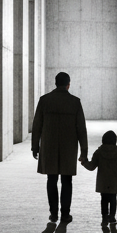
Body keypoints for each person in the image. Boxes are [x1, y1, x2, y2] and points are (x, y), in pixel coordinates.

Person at [31, 72, 88, 224]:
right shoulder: (75, 102)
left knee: (51, 179)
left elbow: (36, 125)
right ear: (68, 84)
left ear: (55, 83)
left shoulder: (44, 100)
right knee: (67, 180)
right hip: (68, 148)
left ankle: (53, 213)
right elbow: (81, 129)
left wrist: (35, 146)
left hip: (49, 146)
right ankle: (65, 214)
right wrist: (84, 152)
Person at [79, 129, 117, 225]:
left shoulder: (99, 152)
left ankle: (104, 218)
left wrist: (84, 162)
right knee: (113, 199)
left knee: (104, 200)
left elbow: (92, 166)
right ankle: (112, 217)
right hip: (114, 182)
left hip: (103, 182)